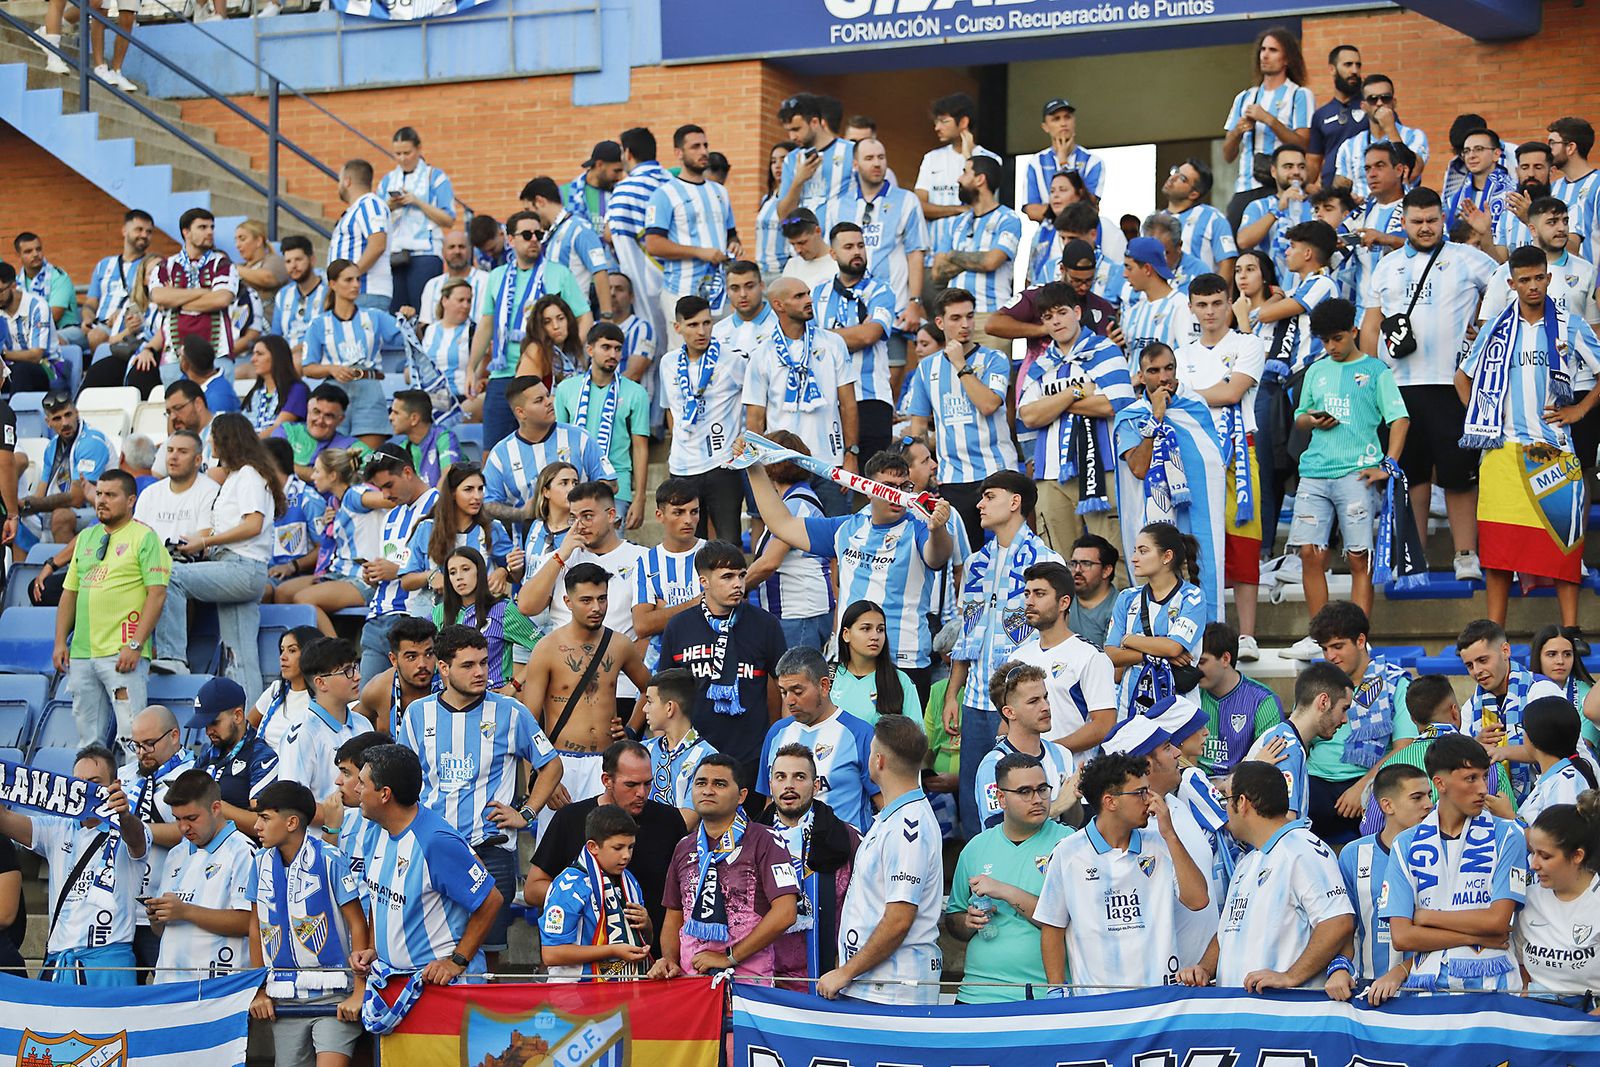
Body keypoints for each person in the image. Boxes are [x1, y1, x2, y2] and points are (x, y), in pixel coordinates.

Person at [399, 624, 560, 969]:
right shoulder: (416, 715)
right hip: (433, 849)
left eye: (485, 663)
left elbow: (551, 766)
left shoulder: (511, 712)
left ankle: (489, 1021)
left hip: (489, 849)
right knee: (433, 945)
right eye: (469, 665)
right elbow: (404, 779)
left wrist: (527, 813)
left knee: (490, 953)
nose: (481, 672)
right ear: (443, 668)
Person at [1457, 247, 1600, 626]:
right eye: (1525, 280)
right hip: (1502, 451)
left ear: (1549, 278)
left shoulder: (1570, 324)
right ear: (1512, 283)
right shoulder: (1495, 329)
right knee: (1499, 551)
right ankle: (1495, 632)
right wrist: (1482, 415)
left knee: (1564, 545)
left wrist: (1580, 410)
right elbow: (1463, 376)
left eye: (1539, 278)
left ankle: (1571, 630)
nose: (1533, 286)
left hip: (1554, 449)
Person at [748, 450, 954, 700]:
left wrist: (938, 530)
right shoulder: (846, 527)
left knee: (899, 740)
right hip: (850, 662)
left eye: (904, 487)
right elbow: (782, 525)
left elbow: (938, 556)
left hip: (903, 661)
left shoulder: (919, 529)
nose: (897, 495)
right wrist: (753, 467)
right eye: (888, 486)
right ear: (867, 489)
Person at [1280, 300, 1412, 640]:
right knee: (1309, 553)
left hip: (1357, 473)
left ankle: (1356, 638)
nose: (1331, 347)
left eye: (1337, 339)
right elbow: (1300, 417)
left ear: (1354, 331)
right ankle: (1321, 637)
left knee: (1358, 557)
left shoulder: (1377, 371)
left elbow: (1400, 419)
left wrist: (1389, 465)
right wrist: (1313, 420)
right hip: (1314, 472)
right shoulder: (1316, 370)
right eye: (1325, 341)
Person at [1037, 749, 1208, 994]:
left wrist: (1170, 834)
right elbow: (1053, 927)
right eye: (1140, 793)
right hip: (1097, 1007)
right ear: (1110, 801)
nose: (1150, 799)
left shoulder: (1162, 843)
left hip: (1159, 1002)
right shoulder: (1068, 852)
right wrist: (1057, 990)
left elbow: (1198, 900)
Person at [945, 473, 1061, 834]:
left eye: (989, 496)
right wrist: (953, 693)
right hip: (976, 697)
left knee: (1021, 795)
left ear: (1015, 502)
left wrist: (1014, 710)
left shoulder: (1046, 561)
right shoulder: (977, 562)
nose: (979, 504)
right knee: (973, 797)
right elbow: (967, 635)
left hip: (1019, 705)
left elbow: (1052, 635)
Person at [1179, 760, 1354, 991]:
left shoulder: (1303, 848)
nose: (1225, 810)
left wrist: (1290, 977)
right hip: (1242, 1013)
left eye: (1226, 800)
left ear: (1242, 803)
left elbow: (1338, 921)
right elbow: (1227, 932)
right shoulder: (1249, 860)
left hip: (1284, 1015)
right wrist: (1204, 968)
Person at [1380, 733, 1529, 993]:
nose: (1482, 788)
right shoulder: (1405, 844)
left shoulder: (1508, 835)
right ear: (1440, 783)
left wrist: (1426, 917)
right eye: (1471, 778)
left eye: (1484, 776)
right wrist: (1474, 937)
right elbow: (1402, 937)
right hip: (1427, 988)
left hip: (1494, 986)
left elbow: (1497, 922)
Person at [153, 414, 282, 695]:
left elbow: (253, 524)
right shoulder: (239, 476)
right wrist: (199, 540)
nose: (210, 442)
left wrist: (206, 541)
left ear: (227, 440)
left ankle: (171, 656)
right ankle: (250, 721)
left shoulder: (248, 474)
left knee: (169, 575)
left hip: (241, 567)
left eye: (213, 438)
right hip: (238, 568)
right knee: (239, 655)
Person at [354, 743, 503, 984]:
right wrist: (373, 948)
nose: (356, 789)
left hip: (441, 988)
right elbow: (377, 894)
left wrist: (457, 961)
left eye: (362, 783)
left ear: (385, 794)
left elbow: (491, 899)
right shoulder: (374, 830)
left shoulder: (435, 842)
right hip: (395, 981)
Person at [1172, 274, 1266, 656]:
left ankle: (1246, 635)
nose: (1210, 312)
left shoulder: (1248, 344)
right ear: (1192, 308)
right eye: (1202, 304)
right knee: (1196, 540)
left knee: (1243, 537)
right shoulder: (1182, 354)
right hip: (1194, 452)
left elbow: (1232, 392)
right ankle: (1205, 627)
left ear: (1230, 304)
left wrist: (1186, 394)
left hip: (1239, 451)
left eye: (1217, 303)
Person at [817, 716, 942, 1003]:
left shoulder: (909, 825)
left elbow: (899, 919)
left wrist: (847, 971)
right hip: (875, 983)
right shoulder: (894, 818)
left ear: (879, 761)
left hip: (893, 990)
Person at [526, 740, 689, 956]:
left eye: (647, 783)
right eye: (631, 785)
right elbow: (533, 889)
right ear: (606, 780)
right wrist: (599, 898)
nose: (642, 793)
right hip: (587, 966)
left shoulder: (669, 820)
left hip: (653, 961)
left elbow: (684, 894)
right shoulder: (571, 818)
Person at [0, 744, 146, 985]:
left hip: (108, 966)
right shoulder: (58, 827)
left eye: (94, 781)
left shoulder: (129, 829)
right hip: (60, 963)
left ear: (115, 785)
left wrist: (124, 816)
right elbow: (5, 819)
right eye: (78, 781)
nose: (84, 788)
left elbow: (137, 838)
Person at [247, 780, 367, 1066]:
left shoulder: (330, 858)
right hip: (283, 999)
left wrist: (360, 992)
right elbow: (255, 927)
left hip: (336, 997)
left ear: (291, 822)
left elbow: (358, 924)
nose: (256, 827)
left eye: (265, 818)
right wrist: (259, 990)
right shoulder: (259, 862)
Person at [521, 562, 652, 823]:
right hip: (559, 762)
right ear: (568, 602)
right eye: (586, 600)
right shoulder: (547, 649)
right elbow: (527, 724)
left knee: (605, 848)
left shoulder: (620, 644)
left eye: (602, 598)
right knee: (557, 854)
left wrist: (631, 731)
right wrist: (539, 776)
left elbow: (651, 689)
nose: (596, 607)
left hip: (606, 762)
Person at [648, 753, 798, 981]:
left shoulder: (765, 839)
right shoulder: (684, 846)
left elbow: (786, 913)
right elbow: (674, 915)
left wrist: (730, 957)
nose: (707, 790)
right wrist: (669, 958)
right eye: (701, 783)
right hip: (692, 983)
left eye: (719, 784)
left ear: (741, 796)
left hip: (747, 986)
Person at [53, 470, 169, 752]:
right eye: (100, 494)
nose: (101, 501)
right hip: (82, 653)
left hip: (122, 652)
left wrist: (135, 644)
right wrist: (59, 642)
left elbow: (157, 595)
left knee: (133, 738)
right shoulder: (86, 537)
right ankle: (92, 794)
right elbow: (70, 593)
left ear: (131, 500)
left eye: (111, 495)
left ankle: (133, 794)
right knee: (87, 740)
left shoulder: (144, 537)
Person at [657, 541, 787, 789]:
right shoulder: (679, 626)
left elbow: (787, 686)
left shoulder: (765, 625)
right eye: (727, 577)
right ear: (704, 582)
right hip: (692, 754)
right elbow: (664, 695)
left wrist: (780, 744)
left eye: (741, 575)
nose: (737, 584)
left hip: (751, 756)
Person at [940, 754, 1067, 1004]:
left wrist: (1005, 891)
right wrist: (967, 920)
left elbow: (1069, 921)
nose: (1038, 799)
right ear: (1001, 799)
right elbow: (953, 920)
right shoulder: (976, 847)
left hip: (1039, 995)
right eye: (1025, 792)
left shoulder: (1069, 843)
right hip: (975, 993)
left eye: (1043, 789)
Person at [1017, 282, 1132, 549]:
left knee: (1111, 557)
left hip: (1101, 470)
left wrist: (1052, 405)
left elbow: (1115, 404)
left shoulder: (1105, 350)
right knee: (1059, 562)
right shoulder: (1042, 364)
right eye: (1048, 317)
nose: (1056, 322)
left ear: (1077, 312)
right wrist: (1075, 393)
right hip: (1050, 475)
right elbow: (1028, 416)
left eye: (1061, 312)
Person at [467, 210, 592, 450]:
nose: (534, 239)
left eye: (539, 233)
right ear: (510, 239)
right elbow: (486, 324)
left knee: (541, 449)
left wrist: (566, 352)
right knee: (494, 451)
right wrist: (471, 369)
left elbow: (584, 316)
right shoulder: (496, 276)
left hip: (542, 377)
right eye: (527, 234)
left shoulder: (559, 273)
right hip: (502, 374)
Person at [903, 288, 1018, 542]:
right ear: (940, 322)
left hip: (998, 472)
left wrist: (960, 365)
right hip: (952, 479)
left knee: (1007, 552)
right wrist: (921, 470)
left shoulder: (995, 358)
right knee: (963, 561)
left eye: (969, 316)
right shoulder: (926, 368)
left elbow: (989, 404)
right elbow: (919, 425)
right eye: (956, 318)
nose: (965, 325)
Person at [743, 276, 860, 516]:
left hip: (830, 463)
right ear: (778, 305)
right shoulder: (761, 354)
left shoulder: (833, 343)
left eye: (808, 293)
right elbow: (755, 418)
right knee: (787, 541)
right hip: (784, 464)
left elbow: (848, 404)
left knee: (835, 540)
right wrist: (762, 467)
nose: (809, 300)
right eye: (799, 296)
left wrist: (851, 454)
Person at [752, 742, 860, 990]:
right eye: (781, 777)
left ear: (817, 785)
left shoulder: (849, 839)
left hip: (828, 977)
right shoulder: (748, 840)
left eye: (799, 777)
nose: (789, 785)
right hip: (762, 976)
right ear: (771, 785)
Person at [1325, 763, 1432, 1006]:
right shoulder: (1353, 854)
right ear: (1387, 805)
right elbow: (1344, 926)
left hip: (1427, 992)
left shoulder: (1440, 853)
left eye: (1428, 795)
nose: (1428, 804)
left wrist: (1402, 971)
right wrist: (1339, 968)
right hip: (1368, 991)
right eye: (1417, 797)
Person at [147, 769, 255, 982]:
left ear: (216, 808)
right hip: (169, 986)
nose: (183, 827)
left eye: (191, 818)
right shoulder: (176, 853)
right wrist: (157, 917)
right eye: (177, 819)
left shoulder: (242, 851)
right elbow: (163, 931)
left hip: (217, 989)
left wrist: (185, 911)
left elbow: (249, 923)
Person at [1007, 561, 1117, 763]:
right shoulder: (1017, 658)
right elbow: (1009, 719)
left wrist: (1049, 751)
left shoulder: (1091, 656)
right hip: (1025, 776)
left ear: (1064, 603)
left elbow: (1104, 725)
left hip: (1072, 776)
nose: (1029, 601)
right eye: (1027, 594)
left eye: (1039, 594)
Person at [760, 646, 878, 832]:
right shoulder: (776, 732)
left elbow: (885, 803)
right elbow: (770, 802)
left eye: (797, 691)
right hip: (785, 856)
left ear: (824, 686)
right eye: (783, 692)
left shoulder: (860, 734)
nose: (789, 701)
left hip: (843, 855)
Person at [660, 295, 748, 542]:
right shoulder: (667, 363)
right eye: (693, 325)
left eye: (707, 323)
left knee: (729, 540)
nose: (702, 331)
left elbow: (755, 399)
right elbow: (670, 409)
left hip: (722, 465)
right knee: (687, 541)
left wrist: (746, 434)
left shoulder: (730, 359)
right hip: (682, 467)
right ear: (678, 328)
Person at [1104, 522, 1208, 719]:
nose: (1134, 558)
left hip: (1179, 710)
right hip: (1130, 709)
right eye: (1135, 551)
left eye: (1143, 551)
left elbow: (1173, 648)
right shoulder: (1126, 597)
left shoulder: (1192, 596)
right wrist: (1150, 655)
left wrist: (1128, 639)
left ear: (1167, 556)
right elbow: (1111, 654)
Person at [1459, 617, 1568, 802]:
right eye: (1470, 665)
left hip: (1558, 796)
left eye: (1483, 660)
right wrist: (1476, 745)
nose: (1477, 671)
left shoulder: (1541, 691)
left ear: (1505, 651)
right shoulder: (1471, 707)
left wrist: (1503, 751)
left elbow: (1558, 753)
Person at [645, 124, 740, 334]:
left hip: (719, 294)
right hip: (681, 291)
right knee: (682, 359)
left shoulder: (720, 192)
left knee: (721, 355)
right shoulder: (664, 194)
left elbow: (732, 235)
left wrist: (735, 246)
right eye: (695, 147)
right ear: (679, 153)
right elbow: (653, 244)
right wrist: (700, 252)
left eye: (705, 145)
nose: (704, 151)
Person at [539, 805, 653, 980]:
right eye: (618, 848)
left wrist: (647, 925)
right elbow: (552, 954)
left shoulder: (629, 880)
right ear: (593, 847)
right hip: (575, 995)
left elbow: (644, 940)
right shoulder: (569, 886)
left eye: (630, 847)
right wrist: (613, 950)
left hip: (621, 992)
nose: (626, 855)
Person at [301, 258, 405, 449]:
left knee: (367, 457)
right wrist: (331, 369)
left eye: (358, 280)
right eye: (348, 280)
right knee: (336, 457)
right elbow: (308, 367)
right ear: (333, 284)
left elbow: (407, 338)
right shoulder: (318, 324)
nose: (356, 285)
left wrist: (409, 318)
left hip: (370, 387)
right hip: (335, 391)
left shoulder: (375, 316)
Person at [556, 322, 651, 527]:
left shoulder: (636, 393)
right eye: (606, 347)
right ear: (590, 349)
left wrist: (640, 497)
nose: (613, 354)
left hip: (618, 487)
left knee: (612, 555)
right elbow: (558, 441)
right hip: (574, 485)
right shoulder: (566, 389)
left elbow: (640, 447)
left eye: (618, 349)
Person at [483, 375, 612, 527]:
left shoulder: (579, 438)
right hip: (528, 547)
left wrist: (579, 503)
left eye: (547, 395)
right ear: (520, 413)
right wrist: (521, 514)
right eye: (539, 400)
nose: (549, 402)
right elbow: (487, 505)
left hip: (583, 541)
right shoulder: (501, 454)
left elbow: (610, 483)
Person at [744, 432, 833, 651]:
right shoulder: (795, 499)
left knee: (797, 681)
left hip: (799, 613)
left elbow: (770, 562)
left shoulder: (796, 505)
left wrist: (735, 588)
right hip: (797, 612)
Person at [1514, 796, 1600, 1008]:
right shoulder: (1528, 899)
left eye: (1544, 856)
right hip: (1540, 1020)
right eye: (1532, 853)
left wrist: (1582, 1026)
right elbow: (1520, 963)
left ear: (1577, 855)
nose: (1533, 865)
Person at [972, 662, 1076, 831]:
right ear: (1009, 712)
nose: (1046, 707)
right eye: (1034, 701)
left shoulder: (1062, 754)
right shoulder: (993, 765)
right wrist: (1056, 807)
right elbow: (998, 831)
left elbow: (1074, 824)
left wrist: (1074, 800)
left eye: (1045, 697)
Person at [1247, 661, 1352, 821]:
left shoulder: (1284, 737)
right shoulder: (1287, 747)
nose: (1345, 720)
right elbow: (1284, 821)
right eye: (1344, 709)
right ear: (1324, 702)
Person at [1221, 27, 1313, 205]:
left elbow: (1303, 144)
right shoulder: (1245, 97)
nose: (1264, 55)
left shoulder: (1299, 95)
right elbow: (1227, 155)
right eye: (1263, 49)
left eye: (1273, 50)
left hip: (1282, 188)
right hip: (1245, 188)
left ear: (1286, 59)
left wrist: (1268, 119)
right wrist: (1237, 132)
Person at [277, 637, 373, 802]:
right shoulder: (302, 733)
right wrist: (335, 817)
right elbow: (292, 803)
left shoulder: (363, 723)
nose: (357, 676)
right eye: (347, 671)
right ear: (321, 683)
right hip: (326, 828)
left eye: (355, 667)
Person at [21, 391, 116, 549]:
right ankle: (28, 570)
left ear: (76, 413)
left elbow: (77, 499)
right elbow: (41, 493)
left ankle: (65, 571)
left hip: (99, 508)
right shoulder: (52, 446)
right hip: (64, 508)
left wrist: (30, 504)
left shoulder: (91, 442)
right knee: (14, 519)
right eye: (57, 418)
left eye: (68, 415)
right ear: (48, 422)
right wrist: (20, 508)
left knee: (61, 517)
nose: (65, 422)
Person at [148, 208, 239, 370]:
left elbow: (221, 299)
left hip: (217, 353)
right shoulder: (166, 265)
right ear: (186, 232)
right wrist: (203, 292)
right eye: (202, 227)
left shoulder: (223, 264)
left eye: (212, 227)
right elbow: (159, 296)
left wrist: (176, 300)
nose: (210, 232)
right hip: (174, 355)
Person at [431, 548, 533, 693]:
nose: (459, 577)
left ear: (480, 572)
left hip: (492, 699)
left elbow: (544, 648)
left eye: (465, 569)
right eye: (452, 572)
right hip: (449, 702)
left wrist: (514, 685)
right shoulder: (438, 612)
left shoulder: (503, 609)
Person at [377, 127, 455, 313]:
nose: (403, 158)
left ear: (419, 149)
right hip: (395, 254)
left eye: (407, 152)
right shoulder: (387, 180)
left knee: (424, 311)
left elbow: (449, 219)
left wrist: (417, 202)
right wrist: (391, 206)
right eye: (397, 154)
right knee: (395, 313)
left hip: (425, 253)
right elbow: (376, 216)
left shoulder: (435, 177)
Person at [632, 479, 706, 672]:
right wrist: (696, 603)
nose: (688, 520)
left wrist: (663, 611)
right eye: (678, 512)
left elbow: (727, 612)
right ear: (659, 515)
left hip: (709, 664)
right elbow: (642, 625)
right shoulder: (646, 562)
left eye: (694, 512)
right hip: (665, 670)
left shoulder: (715, 553)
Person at [190, 676, 279, 835]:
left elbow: (264, 823)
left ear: (237, 716)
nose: (208, 731)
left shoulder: (262, 756)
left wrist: (211, 804)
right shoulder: (208, 754)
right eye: (205, 725)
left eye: (214, 722)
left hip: (243, 854)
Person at [1193, 622, 1282, 779]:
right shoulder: (1190, 694)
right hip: (1195, 784)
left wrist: (1228, 784)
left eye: (1201, 662)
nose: (1195, 669)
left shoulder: (1263, 700)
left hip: (1243, 787)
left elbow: (1268, 760)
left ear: (1226, 658)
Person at [915, 92, 1002, 251]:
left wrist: (968, 156)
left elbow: (985, 204)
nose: (937, 128)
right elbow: (919, 206)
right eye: (936, 122)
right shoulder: (931, 158)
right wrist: (958, 210)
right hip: (932, 257)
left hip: (973, 253)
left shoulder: (991, 159)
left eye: (943, 121)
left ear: (963, 122)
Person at [524, 175, 614, 320]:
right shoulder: (552, 234)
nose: (530, 217)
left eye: (529, 209)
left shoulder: (579, 229)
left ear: (540, 202)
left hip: (576, 319)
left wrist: (606, 315)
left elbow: (599, 271)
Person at [639, 669, 718, 827]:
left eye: (649, 701)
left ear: (669, 707)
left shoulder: (707, 757)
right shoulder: (641, 751)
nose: (644, 709)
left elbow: (687, 821)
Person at [1333, 74, 1430, 200]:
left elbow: (1412, 172)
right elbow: (1339, 191)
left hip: (1402, 213)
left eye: (1386, 98)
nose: (1379, 103)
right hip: (1364, 214)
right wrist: (1350, 200)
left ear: (1394, 103)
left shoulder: (1414, 136)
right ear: (1363, 106)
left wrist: (1390, 128)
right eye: (1373, 99)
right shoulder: (1350, 146)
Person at [774, 93, 855, 235]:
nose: (792, 137)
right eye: (788, 131)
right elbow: (783, 216)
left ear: (815, 122)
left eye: (796, 129)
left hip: (842, 248)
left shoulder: (851, 151)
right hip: (804, 251)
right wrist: (798, 181)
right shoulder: (791, 160)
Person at [831, 601, 919, 727]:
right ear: (846, 634)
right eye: (866, 628)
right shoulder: (828, 677)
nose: (875, 636)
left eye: (880, 630)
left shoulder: (901, 681)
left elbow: (915, 736)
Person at [1118, 240, 1199, 374]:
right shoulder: (1134, 310)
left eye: (1129, 267)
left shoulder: (1180, 305)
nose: (1124, 274)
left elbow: (1190, 360)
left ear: (1147, 269)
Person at [1518, 697, 1599, 828]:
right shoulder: (1558, 776)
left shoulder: (1565, 781)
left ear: (1533, 736)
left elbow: (1558, 841)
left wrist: (1509, 816)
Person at [83, 208, 154, 353]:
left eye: (149, 232)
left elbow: (154, 302)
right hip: (97, 325)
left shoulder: (152, 265)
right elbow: (91, 302)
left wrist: (123, 314)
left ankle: (95, 373)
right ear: (124, 231)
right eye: (139, 229)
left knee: (96, 337)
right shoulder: (104, 264)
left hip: (129, 326)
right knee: (58, 340)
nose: (144, 235)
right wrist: (87, 319)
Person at [1024, 97, 1106, 218]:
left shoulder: (1093, 162)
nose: (1063, 123)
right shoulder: (1036, 163)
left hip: (1081, 233)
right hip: (1047, 235)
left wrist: (1063, 163)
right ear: (1045, 127)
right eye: (1056, 119)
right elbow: (1032, 211)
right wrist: (1071, 207)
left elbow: (1089, 205)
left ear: (1074, 121)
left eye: (1067, 117)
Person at [326, 159, 392, 311]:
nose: (339, 185)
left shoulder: (369, 204)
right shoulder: (358, 208)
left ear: (347, 181)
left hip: (366, 292)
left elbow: (377, 244)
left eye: (340, 180)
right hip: (356, 294)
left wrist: (350, 278)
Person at [1158, 159, 1237, 286]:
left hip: (1199, 300)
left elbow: (1227, 264)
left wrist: (1213, 297)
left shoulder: (1213, 218)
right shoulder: (1156, 220)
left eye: (1182, 178)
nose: (1173, 178)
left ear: (1194, 194)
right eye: (1176, 172)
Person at [252, 625, 322, 752]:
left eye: (292, 650)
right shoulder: (276, 689)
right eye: (282, 650)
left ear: (311, 654)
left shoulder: (324, 696)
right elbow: (249, 725)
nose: (282, 657)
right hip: (262, 767)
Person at [1306, 44, 1366, 189]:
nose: (1354, 71)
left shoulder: (1372, 105)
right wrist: (1305, 186)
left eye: (1358, 65)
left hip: (1366, 190)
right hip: (1332, 196)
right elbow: (1314, 160)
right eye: (1348, 65)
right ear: (1332, 69)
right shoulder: (1321, 115)